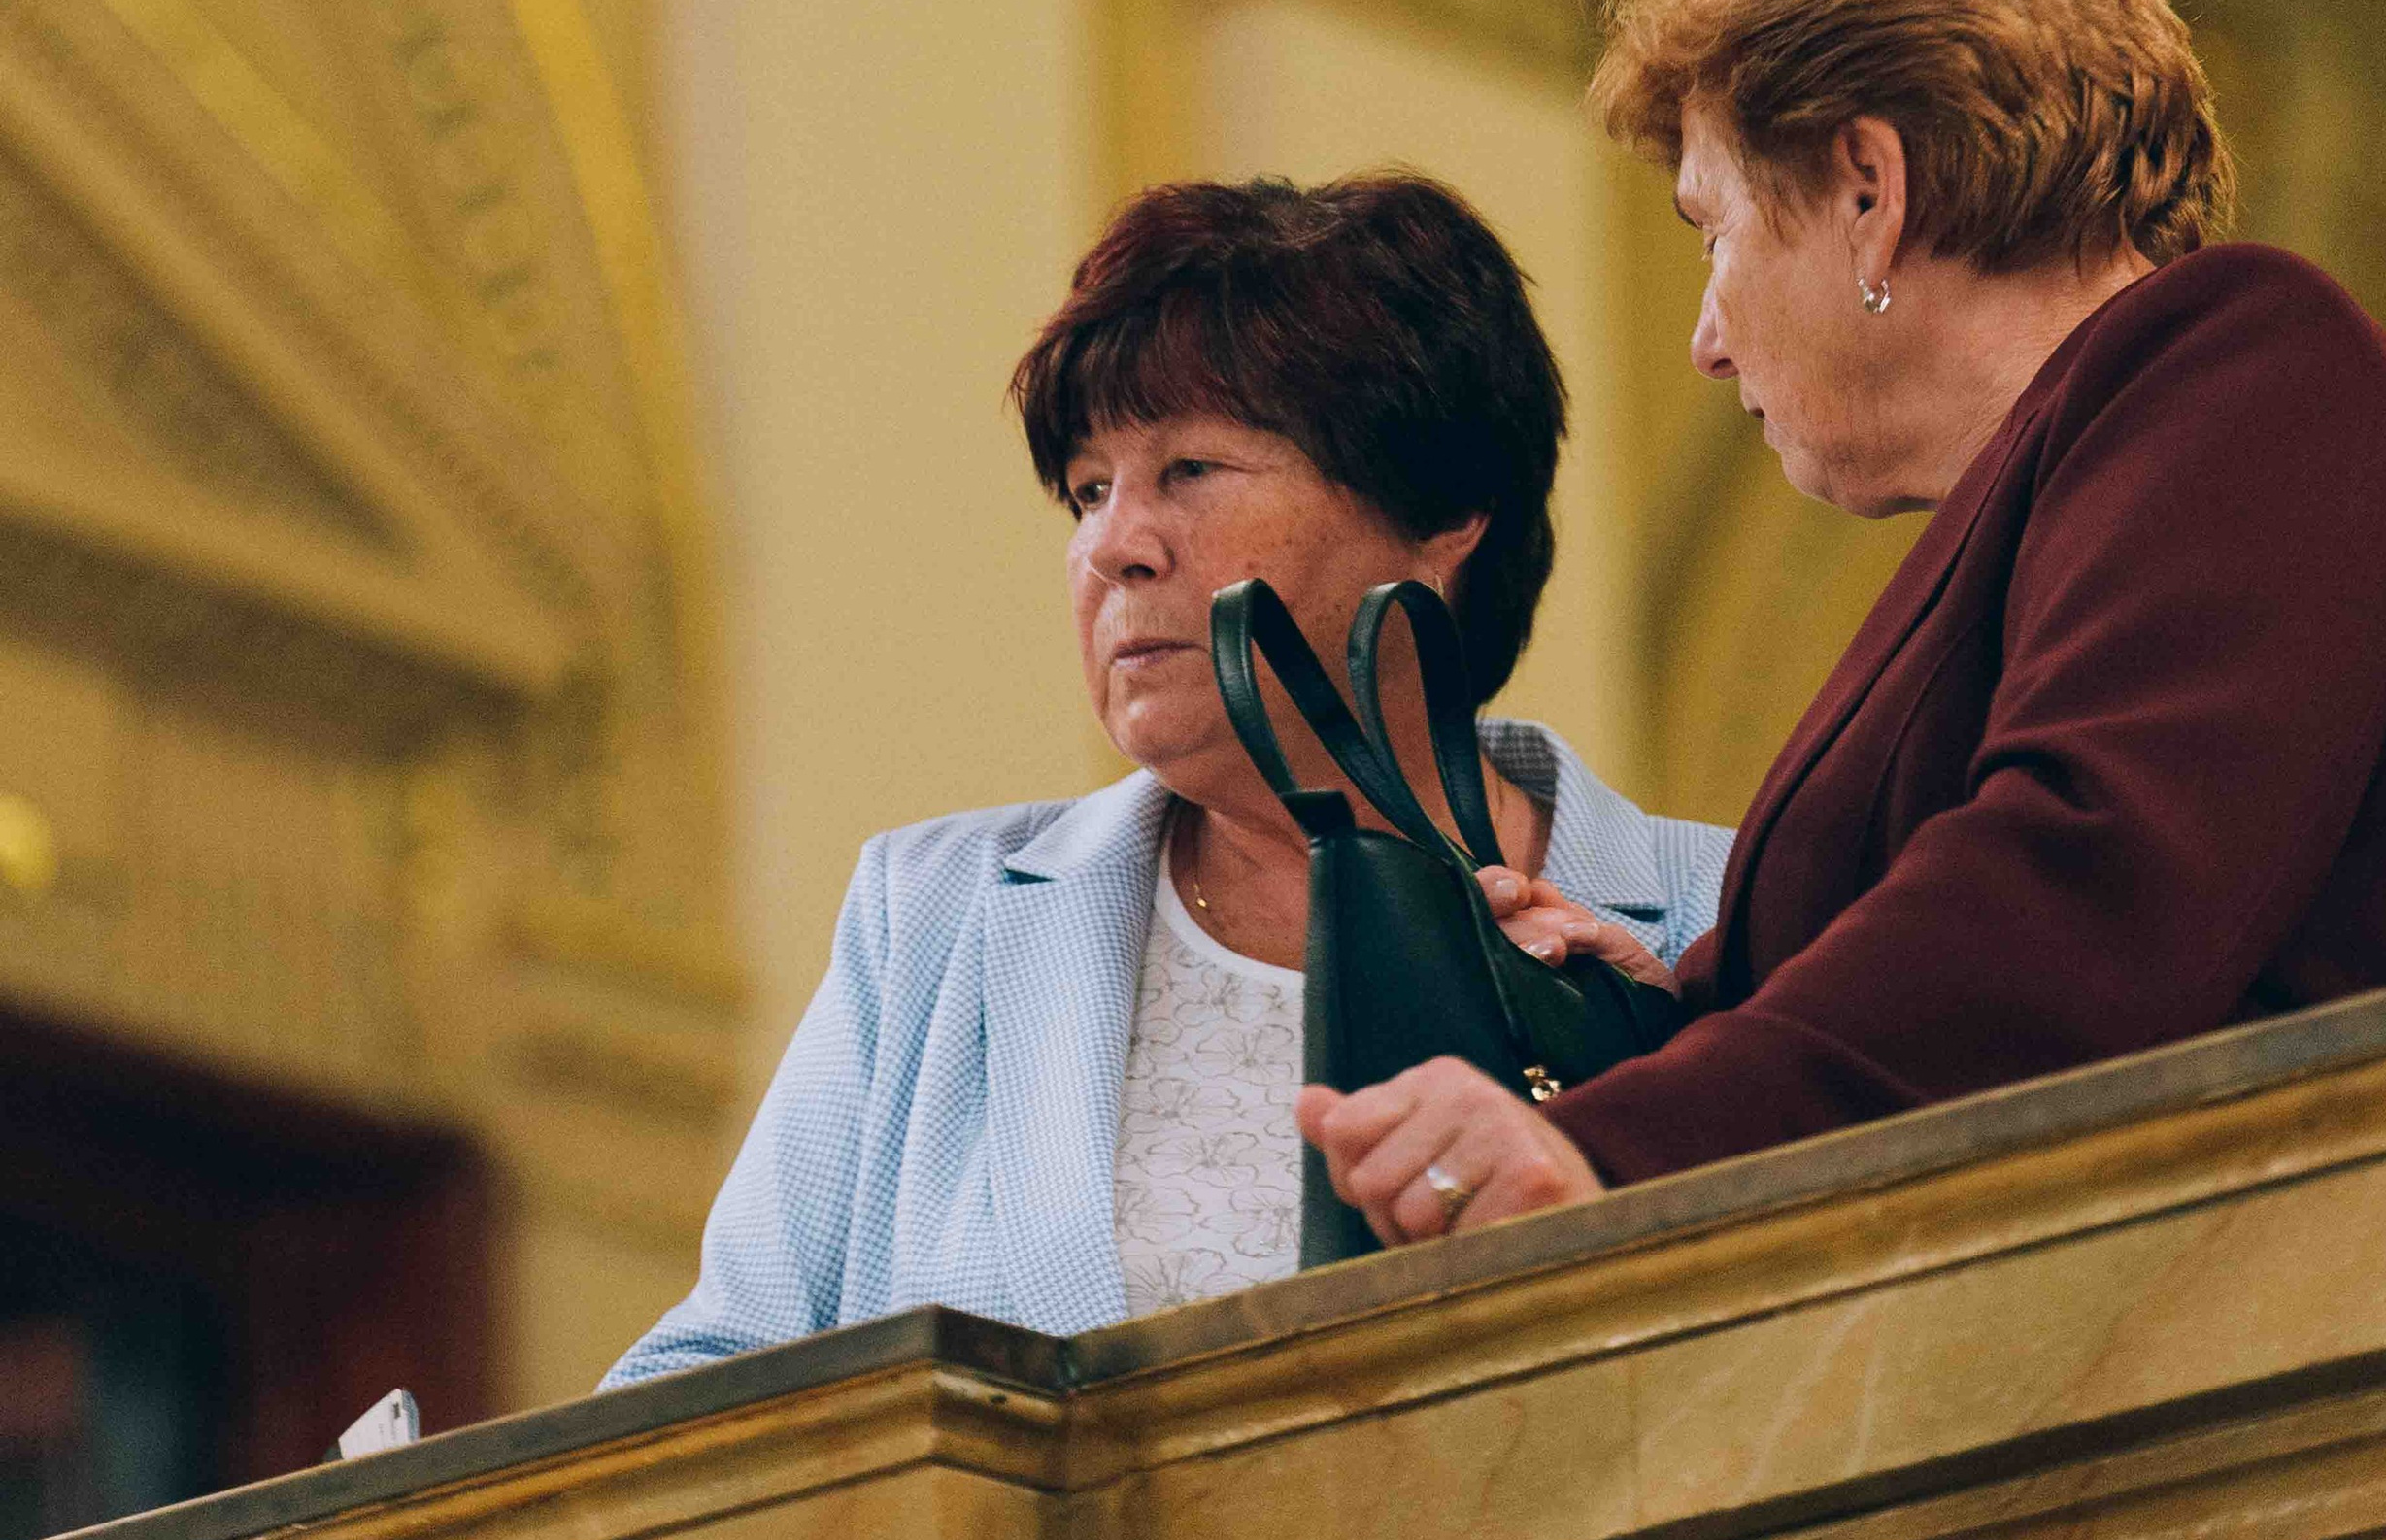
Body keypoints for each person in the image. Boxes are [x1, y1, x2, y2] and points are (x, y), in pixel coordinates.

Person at [1301, 0, 2386, 1250]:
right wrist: (1671, 1002)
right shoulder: (2069, 480)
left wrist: (1611, 1150)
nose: (1706, 342)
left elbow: (2087, 890)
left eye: (1711, 228)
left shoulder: (2246, 360)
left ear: (1869, 191)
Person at [607, 172, 1731, 1373]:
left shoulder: (1720, 910)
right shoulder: (929, 919)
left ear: (1446, 509)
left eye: (1189, 469)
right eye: (1090, 488)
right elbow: (699, 1391)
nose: (1110, 547)